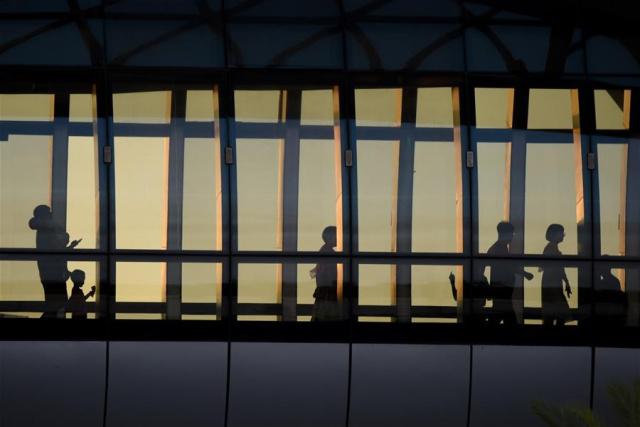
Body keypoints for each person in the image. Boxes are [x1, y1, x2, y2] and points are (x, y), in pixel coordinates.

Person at [28, 205, 81, 318]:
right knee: (57, 305)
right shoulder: (45, 229)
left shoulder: (45, 230)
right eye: (49, 213)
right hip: (52, 274)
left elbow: (57, 250)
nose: (51, 214)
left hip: (53, 274)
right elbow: (57, 250)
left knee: (56, 305)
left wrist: (69, 246)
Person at [483, 221, 533, 326]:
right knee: (506, 315)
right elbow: (509, 267)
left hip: (501, 289)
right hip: (502, 289)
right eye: (511, 234)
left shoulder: (497, 248)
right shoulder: (499, 249)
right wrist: (525, 273)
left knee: (502, 314)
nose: (512, 237)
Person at [540, 224, 571, 326]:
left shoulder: (551, 248)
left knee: (556, 312)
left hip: (553, 282)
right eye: (561, 233)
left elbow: (560, 268)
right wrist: (566, 282)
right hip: (552, 283)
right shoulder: (550, 248)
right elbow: (558, 268)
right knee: (559, 312)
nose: (563, 235)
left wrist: (566, 282)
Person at [310, 226, 341, 321]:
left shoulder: (324, 250)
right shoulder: (329, 252)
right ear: (331, 237)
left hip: (324, 292)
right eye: (337, 236)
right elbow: (330, 273)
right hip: (328, 292)